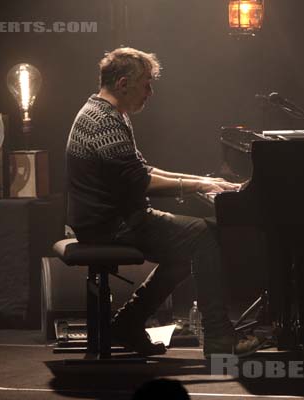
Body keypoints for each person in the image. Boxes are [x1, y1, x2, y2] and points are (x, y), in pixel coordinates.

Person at [66, 47, 264, 357]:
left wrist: (204, 181)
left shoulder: (105, 113)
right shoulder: (104, 122)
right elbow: (141, 181)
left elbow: (142, 169)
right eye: (146, 83)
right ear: (122, 84)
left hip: (108, 220)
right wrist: (197, 184)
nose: (150, 92)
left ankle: (128, 323)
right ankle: (220, 339)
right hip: (111, 225)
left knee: (186, 249)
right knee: (205, 236)